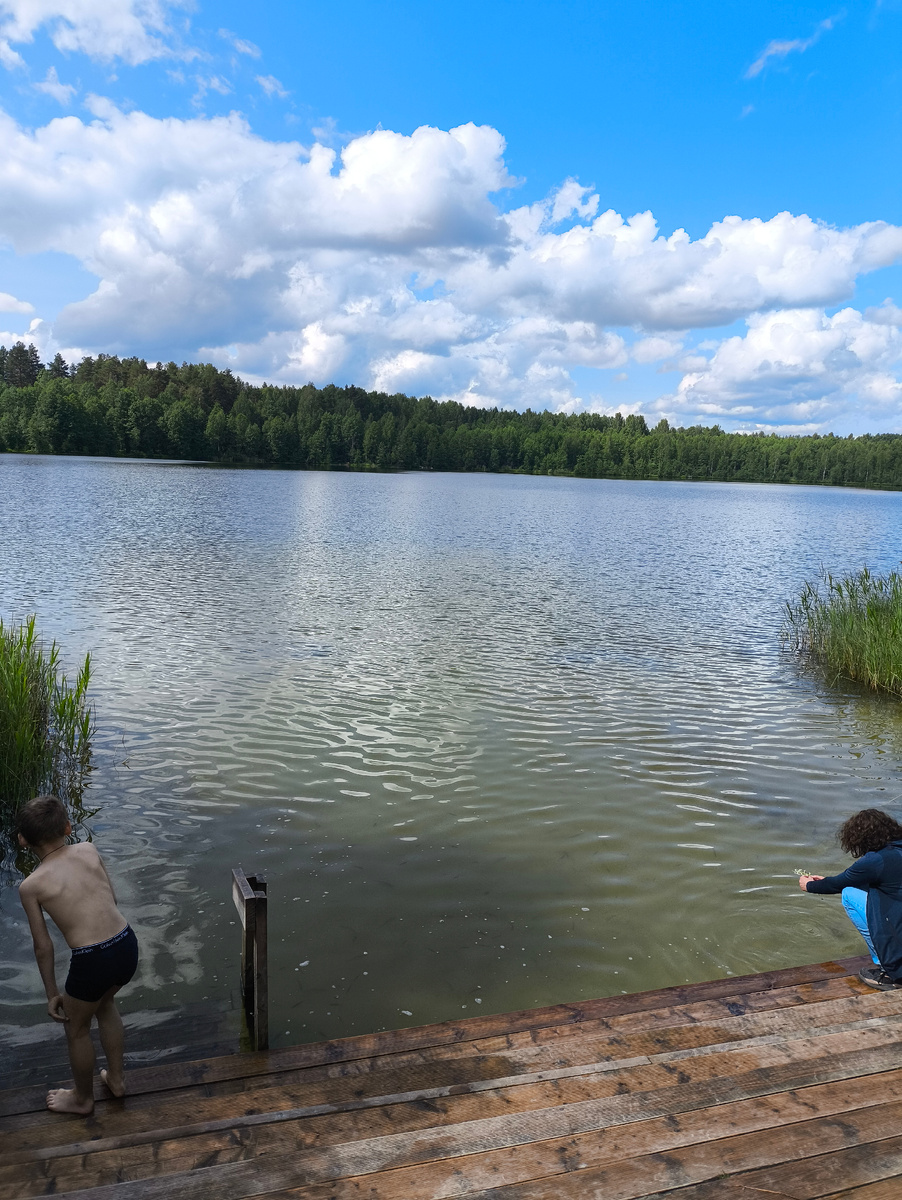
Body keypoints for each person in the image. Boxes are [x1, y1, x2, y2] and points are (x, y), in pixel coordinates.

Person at [16, 794, 139, 1114]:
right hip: (126, 942)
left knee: (76, 1028)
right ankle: (117, 1080)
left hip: (92, 958)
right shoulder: (88, 849)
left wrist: (52, 994)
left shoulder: (31, 886)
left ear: (23, 840)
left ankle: (82, 1099)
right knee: (106, 1004)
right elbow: (111, 899)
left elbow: (43, 946)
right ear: (68, 827)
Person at [799, 808, 902, 992]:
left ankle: (889, 971)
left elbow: (838, 884)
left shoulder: (875, 860)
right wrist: (828, 880)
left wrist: (809, 885)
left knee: (849, 894)